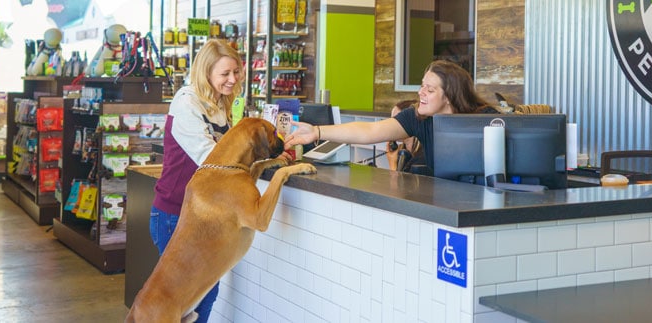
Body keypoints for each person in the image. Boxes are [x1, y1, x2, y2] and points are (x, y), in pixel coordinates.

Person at [148, 39, 243, 322]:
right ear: (206, 73)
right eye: (225, 74)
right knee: (184, 301)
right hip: (173, 215)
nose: (232, 79)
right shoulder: (187, 102)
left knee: (203, 295)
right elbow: (211, 159)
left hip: (199, 216)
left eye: (236, 72)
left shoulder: (221, 103)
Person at [284, 60, 498, 174]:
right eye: (422, 85)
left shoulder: (487, 119)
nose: (420, 93)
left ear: (450, 96)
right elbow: (369, 131)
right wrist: (316, 131)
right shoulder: (418, 117)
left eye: (430, 90)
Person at [385, 99, 424, 172]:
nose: (391, 125)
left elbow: (398, 183)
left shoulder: (421, 159)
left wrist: (392, 164)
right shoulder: (403, 152)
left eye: (396, 121)